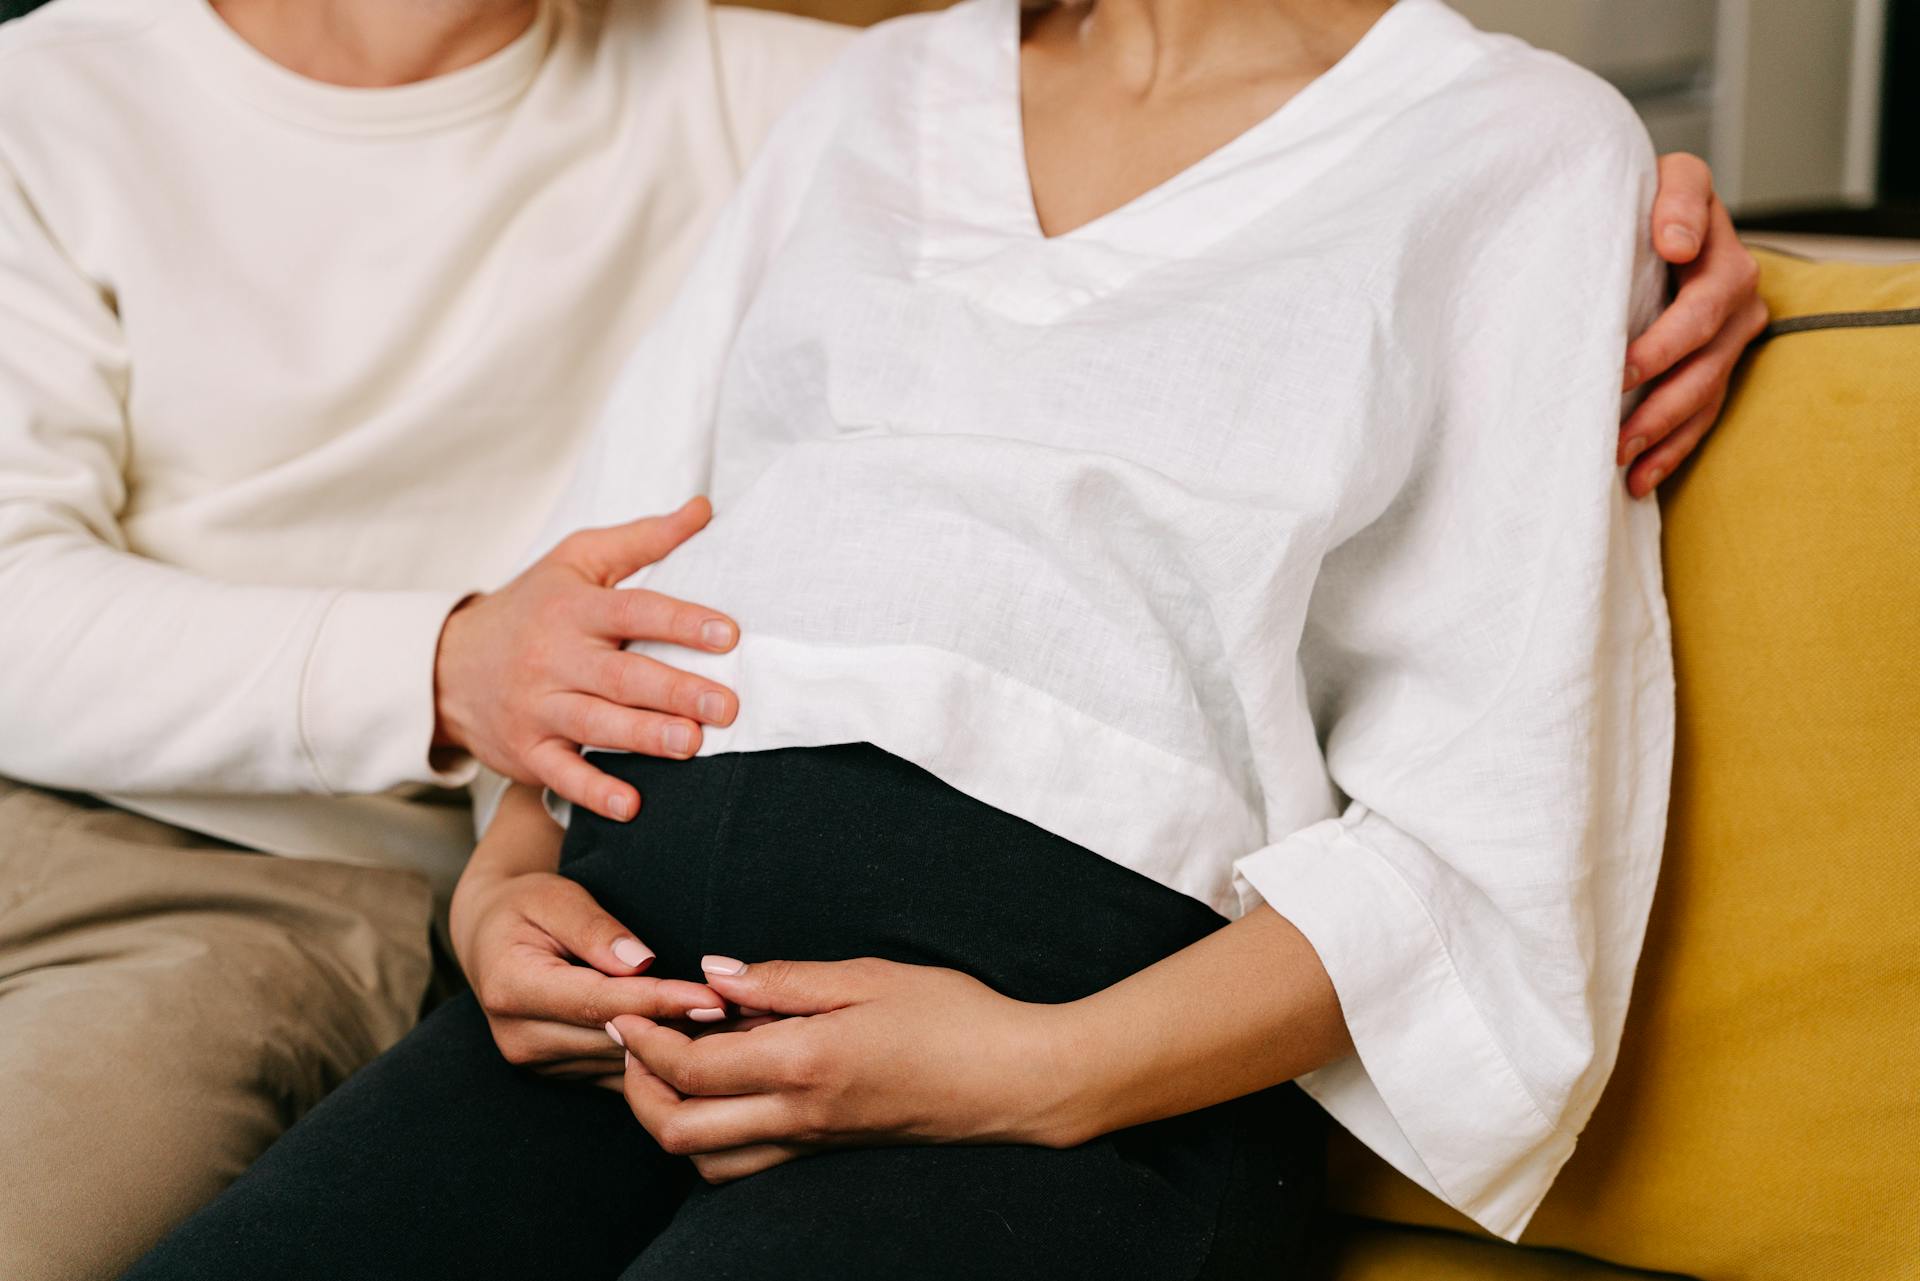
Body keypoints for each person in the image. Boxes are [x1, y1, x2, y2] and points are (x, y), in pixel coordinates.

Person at [126, 0, 1721, 1276]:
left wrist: (1039, 1071)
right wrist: (501, 892)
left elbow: (1483, 832)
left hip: (1063, 1095)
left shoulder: (1517, 147)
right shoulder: (874, 95)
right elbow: (600, 593)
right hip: (600, 1032)